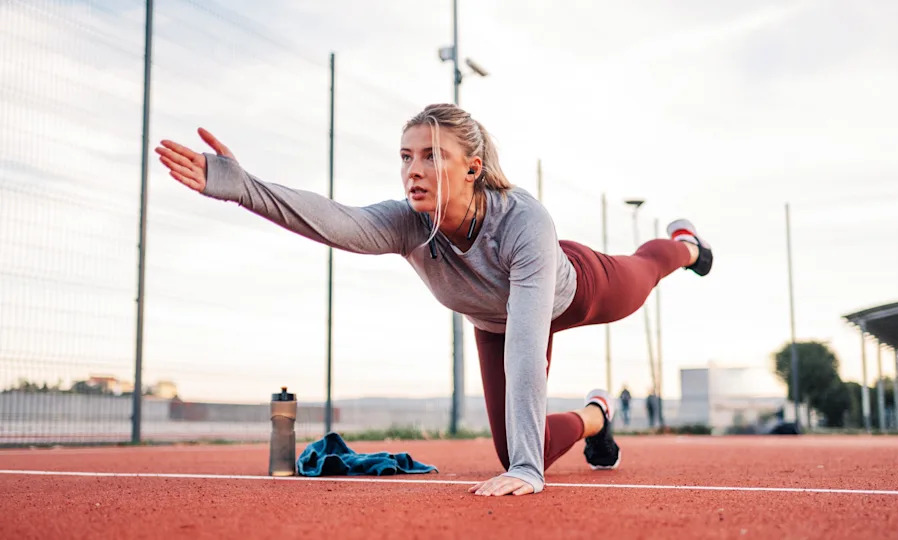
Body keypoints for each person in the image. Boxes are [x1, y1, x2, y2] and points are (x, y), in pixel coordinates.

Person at [155, 103, 713, 497]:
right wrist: (242, 186)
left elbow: (526, 344)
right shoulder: (407, 223)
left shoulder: (522, 221)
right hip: (494, 321)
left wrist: (528, 471)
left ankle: (685, 246)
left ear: (471, 168)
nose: (413, 170)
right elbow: (338, 221)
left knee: (644, 273)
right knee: (520, 448)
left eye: (430, 156)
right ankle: (599, 415)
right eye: (405, 156)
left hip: (575, 289)